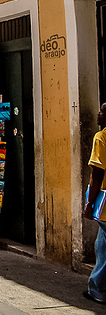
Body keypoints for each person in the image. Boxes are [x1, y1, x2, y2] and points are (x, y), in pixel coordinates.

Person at [83, 103, 106, 305]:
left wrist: (90, 203)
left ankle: (97, 288)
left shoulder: (102, 137)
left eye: (102, 111)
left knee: (104, 247)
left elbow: (97, 174)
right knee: (101, 243)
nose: (98, 114)